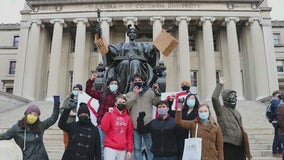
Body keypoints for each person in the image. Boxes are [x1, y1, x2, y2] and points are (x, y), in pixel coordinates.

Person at [98, 25, 160, 94]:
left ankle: (135, 88)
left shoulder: (142, 45)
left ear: (136, 35)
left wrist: (154, 49)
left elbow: (150, 50)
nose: (132, 34)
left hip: (139, 64)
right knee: (124, 63)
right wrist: (99, 35)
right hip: (123, 64)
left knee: (135, 63)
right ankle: (121, 89)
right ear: (128, 35)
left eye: (134, 33)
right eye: (130, 33)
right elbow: (110, 50)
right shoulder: (122, 45)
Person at [0, 96, 60, 160]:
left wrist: (57, 103)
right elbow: (4, 136)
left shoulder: (40, 126)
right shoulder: (17, 128)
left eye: (35, 115)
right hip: (26, 158)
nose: (32, 116)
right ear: (26, 114)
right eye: (30, 113)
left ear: (37, 117)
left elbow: (53, 119)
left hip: (42, 157)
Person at [211, 77, 251, 160]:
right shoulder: (220, 110)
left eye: (235, 96)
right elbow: (214, 98)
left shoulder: (237, 113)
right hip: (227, 144)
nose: (234, 97)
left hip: (239, 146)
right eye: (231, 95)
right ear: (226, 97)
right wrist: (220, 84)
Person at [125, 73, 161, 160]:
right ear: (132, 83)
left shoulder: (150, 92)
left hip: (147, 124)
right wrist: (134, 94)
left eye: (139, 81)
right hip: (135, 125)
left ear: (143, 82)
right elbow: (127, 107)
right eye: (135, 81)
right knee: (137, 147)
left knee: (150, 147)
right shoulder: (129, 94)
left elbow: (157, 103)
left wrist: (156, 91)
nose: (137, 82)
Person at [86, 73, 120, 160]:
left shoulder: (120, 97)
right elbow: (89, 91)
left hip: (114, 127)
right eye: (112, 84)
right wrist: (91, 80)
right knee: (101, 147)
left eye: (115, 84)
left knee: (114, 148)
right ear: (108, 86)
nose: (114, 85)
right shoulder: (103, 94)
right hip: (102, 125)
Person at [167, 93, 199, 160]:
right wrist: (170, 101)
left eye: (193, 98)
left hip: (190, 137)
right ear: (186, 100)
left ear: (196, 101)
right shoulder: (182, 110)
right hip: (179, 137)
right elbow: (169, 112)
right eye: (189, 98)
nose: (191, 100)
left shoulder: (198, 111)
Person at [101, 95, 133, 160]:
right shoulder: (109, 114)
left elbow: (129, 134)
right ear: (115, 103)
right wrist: (108, 114)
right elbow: (104, 128)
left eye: (123, 102)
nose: (122, 104)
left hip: (122, 149)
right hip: (110, 148)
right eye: (120, 102)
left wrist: (129, 150)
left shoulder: (128, 118)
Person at [60, 84, 83, 149]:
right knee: (67, 143)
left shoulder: (83, 100)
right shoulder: (68, 100)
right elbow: (61, 110)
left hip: (78, 125)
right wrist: (67, 112)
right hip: (68, 123)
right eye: (74, 89)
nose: (75, 91)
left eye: (77, 90)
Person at [270, 90, 283, 155]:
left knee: (278, 135)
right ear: (276, 94)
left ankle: (279, 149)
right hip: (277, 120)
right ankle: (275, 150)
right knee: (278, 136)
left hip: (275, 120)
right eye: (280, 94)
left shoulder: (273, 101)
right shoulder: (275, 101)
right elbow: (277, 111)